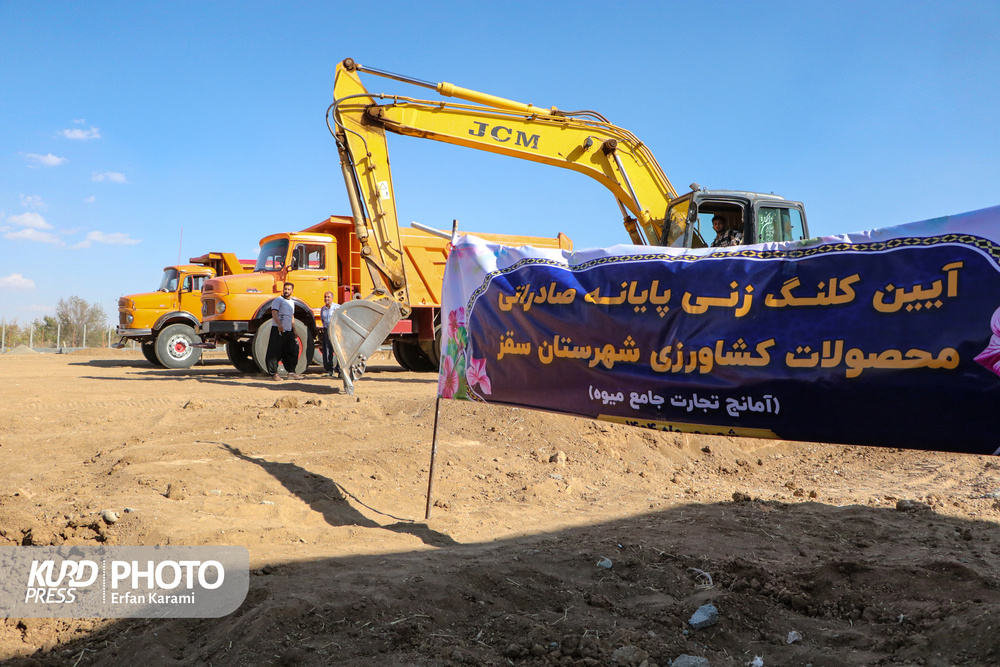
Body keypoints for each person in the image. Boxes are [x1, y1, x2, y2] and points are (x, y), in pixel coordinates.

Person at [266, 282, 303, 381]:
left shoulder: (292, 302)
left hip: (289, 330)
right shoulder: (278, 300)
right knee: (275, 351)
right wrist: (279, 325)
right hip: (278, 329)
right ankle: (274, 373)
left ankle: (291, 372)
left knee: (292, 350)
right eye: (285, 289)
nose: (286, 291)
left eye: (288, 289)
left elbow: (291, 316)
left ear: (292, 291)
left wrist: (294, 330)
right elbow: (274, 313)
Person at [319, 291, 341, 378]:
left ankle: (340, 370)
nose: (326, 299)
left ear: (332, 298)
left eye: (328, 297)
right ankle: (329, 370)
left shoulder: (337, 307)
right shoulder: (323, 309)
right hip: (327, 330)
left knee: (338, 350)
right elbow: (322, 320)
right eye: (325, 297)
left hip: (336, 330)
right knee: (327, 350)